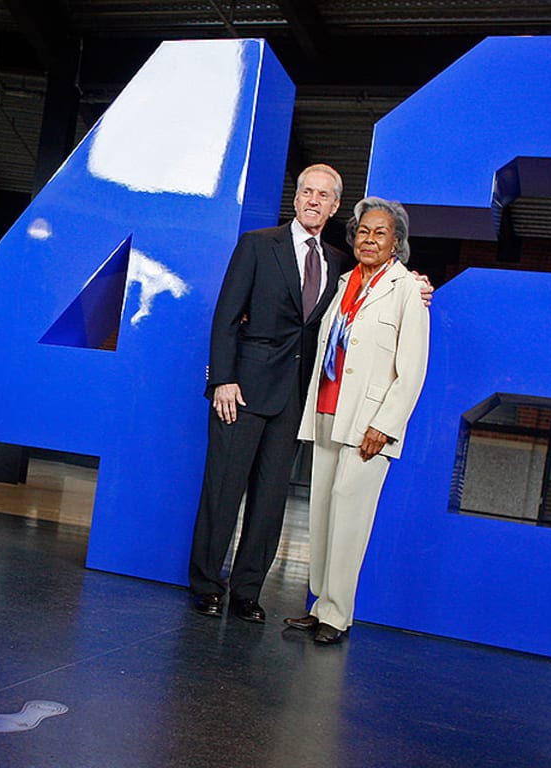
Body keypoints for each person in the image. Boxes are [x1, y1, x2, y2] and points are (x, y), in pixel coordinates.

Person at [187, 165, 432, 623]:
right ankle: (205, 585)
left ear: (336, 206)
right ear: (296, 198)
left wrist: (417, 285)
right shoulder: (258, 245)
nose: (314, 200)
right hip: (241, 392)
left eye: (324, 195)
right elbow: (225, 317)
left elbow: (380, 286)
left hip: (297, 402)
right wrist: (222, 378)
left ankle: (246, 592)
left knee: (271, 501)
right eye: (306, 192)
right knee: (222, 491)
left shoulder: (343, 263)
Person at [284, 197, 430, 644]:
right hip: (329, 409)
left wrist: (384, 425)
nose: (369, 239)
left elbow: (413, 368)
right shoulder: (346, 281)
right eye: (363, 232)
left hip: (368, 424)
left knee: (351, 518)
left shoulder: (407, 290)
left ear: (397, 243)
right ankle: (319, 604)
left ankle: (338, 615)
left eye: (379, 233)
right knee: (325, 514)